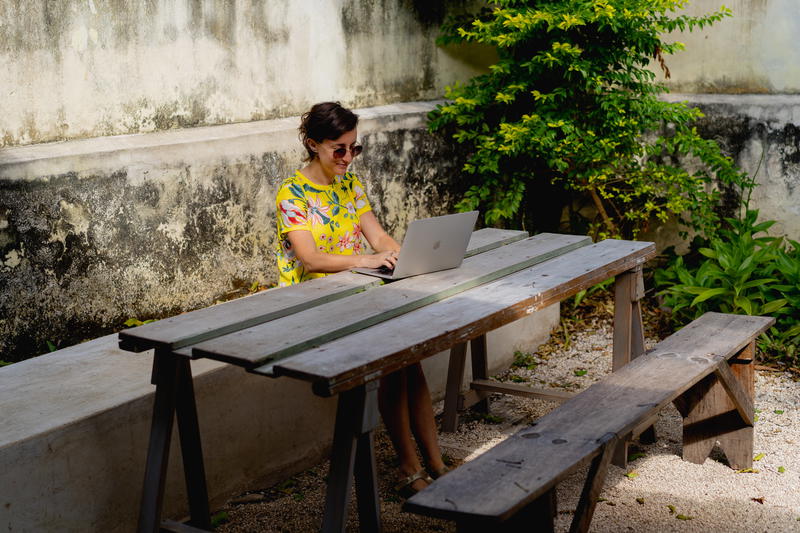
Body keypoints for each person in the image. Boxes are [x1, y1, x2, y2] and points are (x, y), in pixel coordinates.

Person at [275, 102, 448, 496]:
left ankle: (434, 462)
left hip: (357, 290)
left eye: (355, 148)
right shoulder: (292, 193)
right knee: (394, 359)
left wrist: (400, 254)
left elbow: (378, 236)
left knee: (410, 359)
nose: (348, 157)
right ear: (312, 144)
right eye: (340, 149)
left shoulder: (350, 184)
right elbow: (310, 258)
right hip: (314, 301)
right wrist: (368, 260)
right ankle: (410, 467)